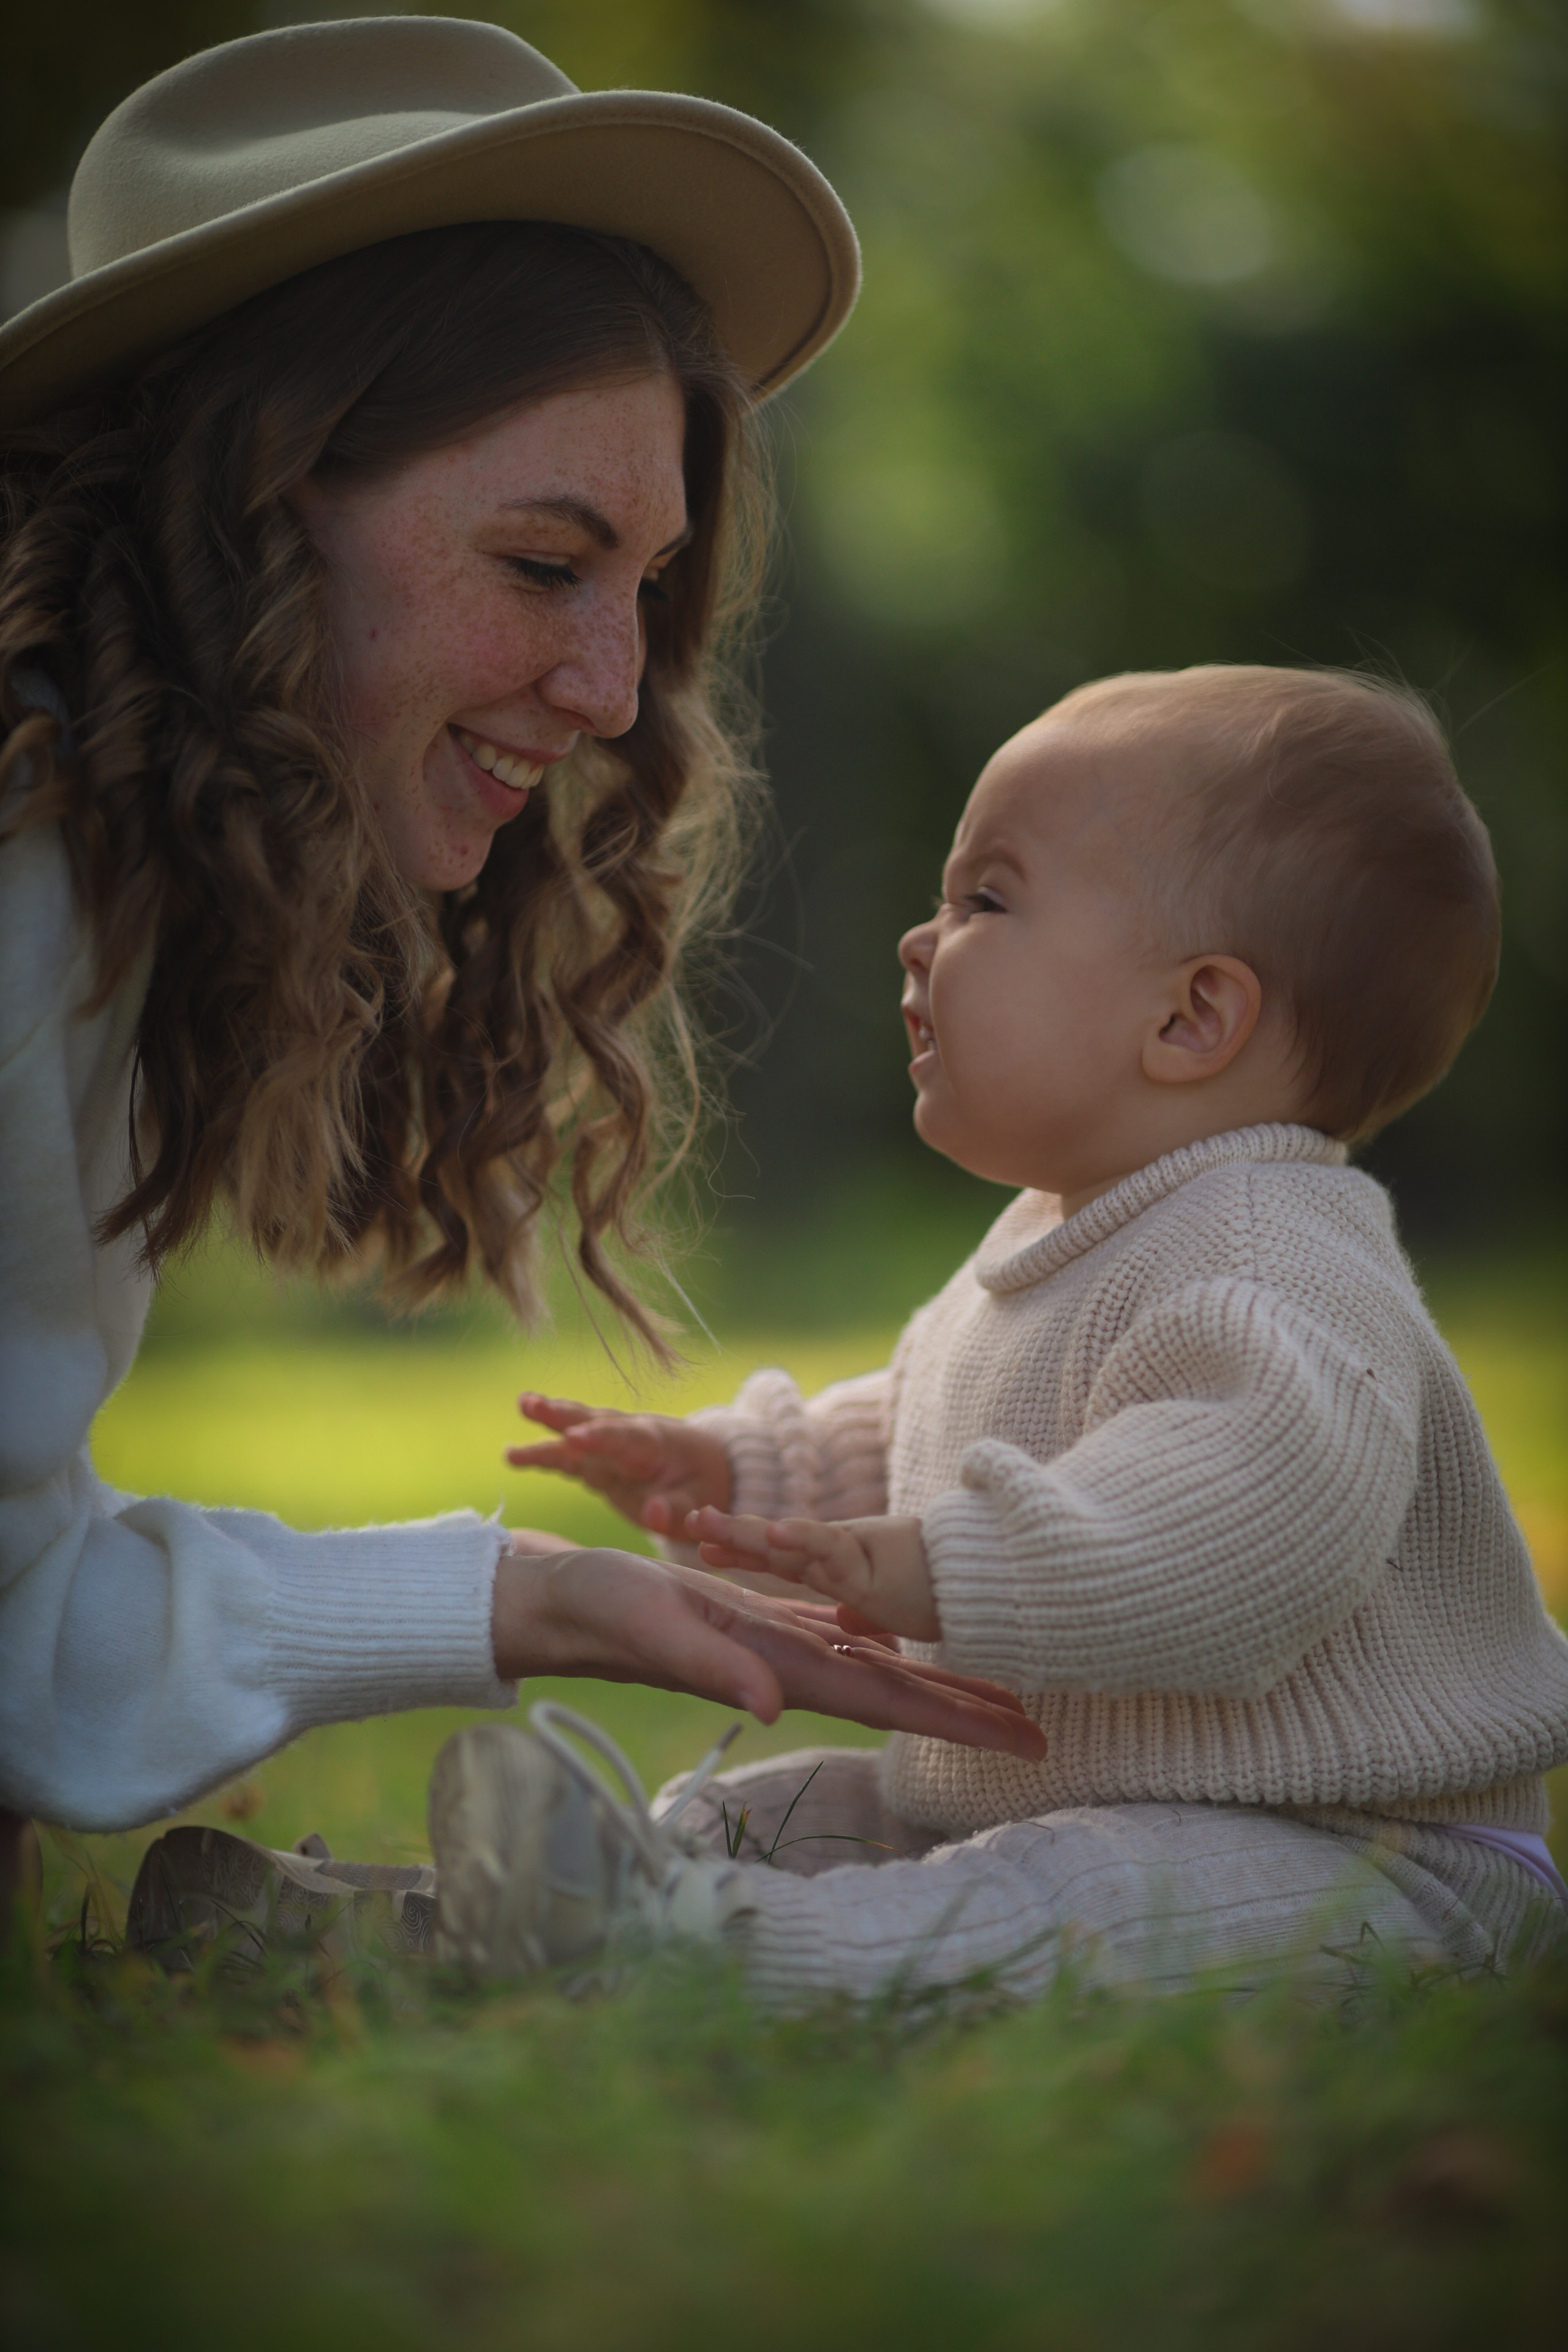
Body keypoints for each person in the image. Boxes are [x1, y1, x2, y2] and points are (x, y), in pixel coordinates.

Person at [0, 17, 1046, 1906]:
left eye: (643, 587)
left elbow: (17, 1602)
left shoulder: (91, 877)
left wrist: (538, 1593)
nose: (611, 689)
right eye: (544, 565)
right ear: (251, 506)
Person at [443, 663, 1568, 2007]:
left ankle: (698, 1955)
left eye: (986, 899)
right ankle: (488, 1912)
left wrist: (945, 1565)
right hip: (1067, 1797)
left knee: (1068, 1899)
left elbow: (1236, 1530)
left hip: (1365, 1851)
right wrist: (748, 1474)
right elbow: (926, 1418)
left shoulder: (1277, 1256)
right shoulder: (1064, 1228)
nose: (923, 940)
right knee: (797, 1809)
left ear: (1189, 1017)